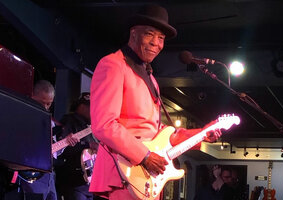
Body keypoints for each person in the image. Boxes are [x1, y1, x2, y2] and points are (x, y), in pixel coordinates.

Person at [89, 4, 221, 200]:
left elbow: (160, 134)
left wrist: (201, 134)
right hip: (121, 174)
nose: (156, 43)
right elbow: (104, 125)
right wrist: (144, 156)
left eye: (161, 39)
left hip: (145, 178)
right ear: (133, 34)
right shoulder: (113, 65)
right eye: (150, 34)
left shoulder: (151, 79)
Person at [55, 92, 100, 200]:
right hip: (74, 182)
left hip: (88, 184)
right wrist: (88, 144)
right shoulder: (70, 121)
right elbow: (62, 149)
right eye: (92, 107)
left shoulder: (90, 127)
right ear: (82, 106)